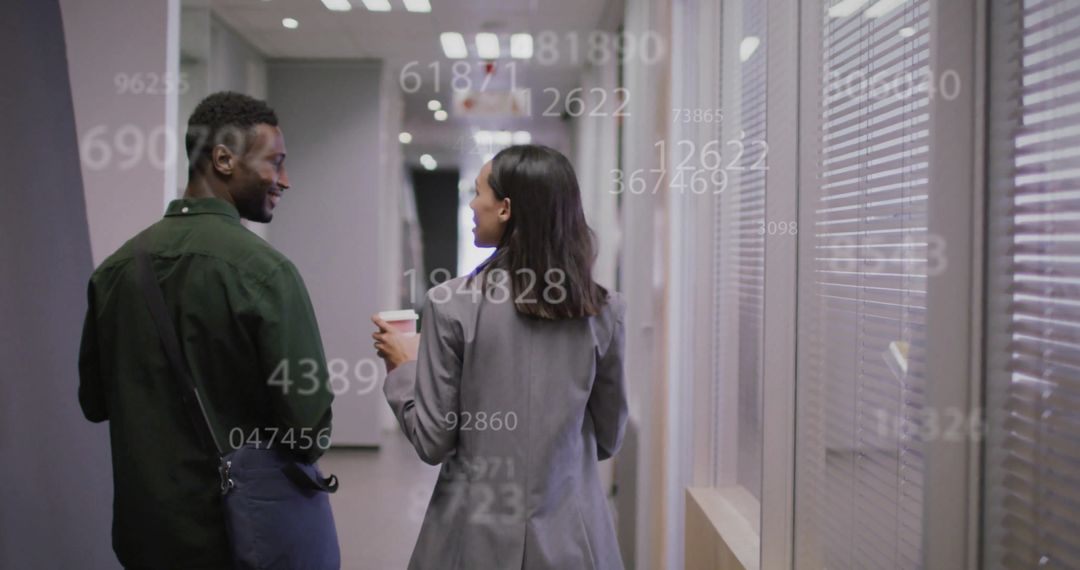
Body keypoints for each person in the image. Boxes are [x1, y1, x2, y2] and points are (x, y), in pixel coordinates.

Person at [78, 92, 335, 569]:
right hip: (239, 532)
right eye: (275, 163)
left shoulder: (113, 271)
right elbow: (309, 428)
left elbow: (94, 403)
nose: (285, 180)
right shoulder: (266, 273)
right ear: (223, 159)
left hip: (146, 534)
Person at [373, 144, 628, 570]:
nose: (472, 205)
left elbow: (433, 441)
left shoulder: (450, 304)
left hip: (471, 538)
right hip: (574, 542)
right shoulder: (603, 310)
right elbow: (607, 437)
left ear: (505, 208)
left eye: (478, 194)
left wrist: (404, 369)